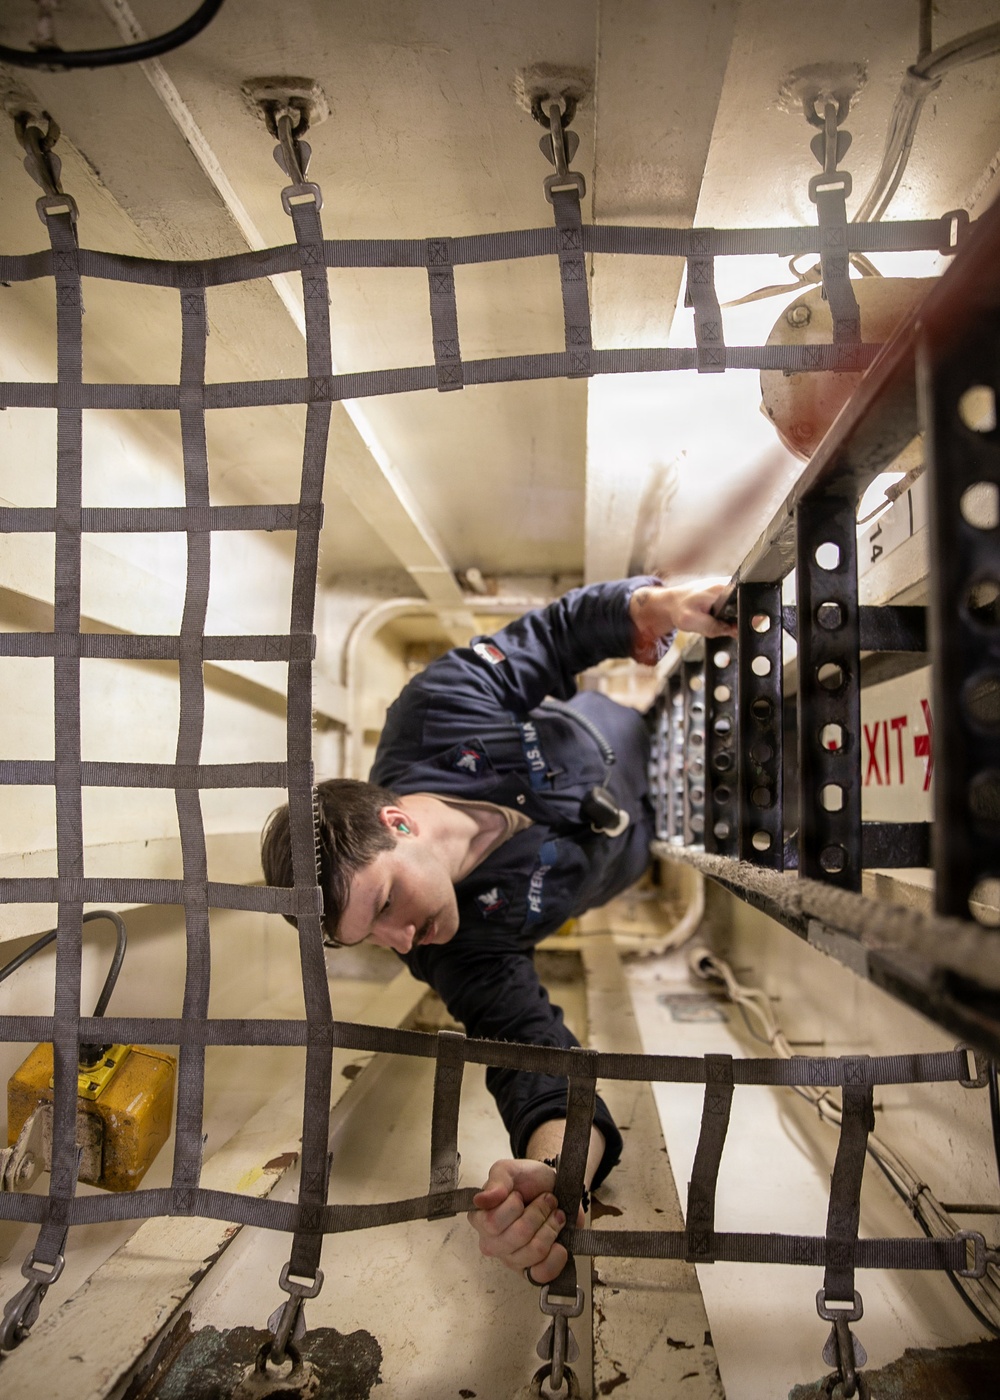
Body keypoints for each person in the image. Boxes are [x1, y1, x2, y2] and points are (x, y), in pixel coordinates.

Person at [261, 576, 734, 1284]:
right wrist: (555, 1171)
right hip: (663, 839)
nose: (398, 941)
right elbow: (531, 1065)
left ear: (397, 822)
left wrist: (651, 609)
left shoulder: (436, 713)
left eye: (386, 902)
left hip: (639, 736)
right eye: (373, 937)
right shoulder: (451, 954)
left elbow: (552, 636)